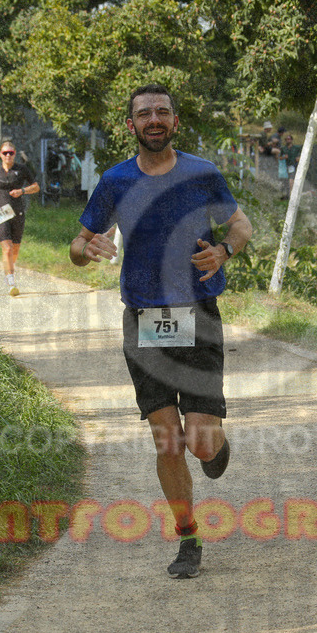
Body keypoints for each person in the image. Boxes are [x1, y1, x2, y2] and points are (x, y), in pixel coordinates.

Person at [71, 83, 253, 579]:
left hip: (198, 315)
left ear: (174, 122)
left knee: (199, 443)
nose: (154, 119)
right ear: (130, 125)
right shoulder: (115, 180)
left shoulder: (202, 173)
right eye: (144, 113)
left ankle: (215, 443)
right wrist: (84, 250)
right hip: (143, 319)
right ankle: (188, 538)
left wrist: (225, 251)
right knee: (167, 441)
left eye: (163, 112)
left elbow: (241, 225)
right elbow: (78, 240)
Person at [0, 141, 40, 297]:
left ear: (14, 154)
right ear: (0, 154)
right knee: (6, 248)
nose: (8, 155)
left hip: (18, 212)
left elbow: (36, 186)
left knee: (15, 248)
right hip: (1, 213)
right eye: (5, 153)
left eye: (11, 153)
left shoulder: (22, 169)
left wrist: (22, 191)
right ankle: (10, 280)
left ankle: (9, 269)